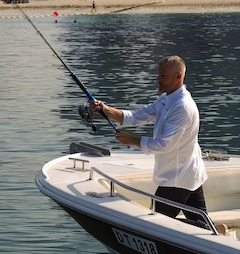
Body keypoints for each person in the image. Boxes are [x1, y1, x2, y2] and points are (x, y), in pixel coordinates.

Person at [91, 55, 221, 231]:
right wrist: (104, 109)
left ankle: (208, 230)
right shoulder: (166, 98)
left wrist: (133, 140)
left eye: (163, 76)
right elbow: (136, 116)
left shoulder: (182, 107)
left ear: (178, 76)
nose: (158, 79)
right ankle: (214, 231)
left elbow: (164, 145)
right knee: (203, 225)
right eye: (158, 75)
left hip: (176, 178)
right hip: (188, 173)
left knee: (156, 225)